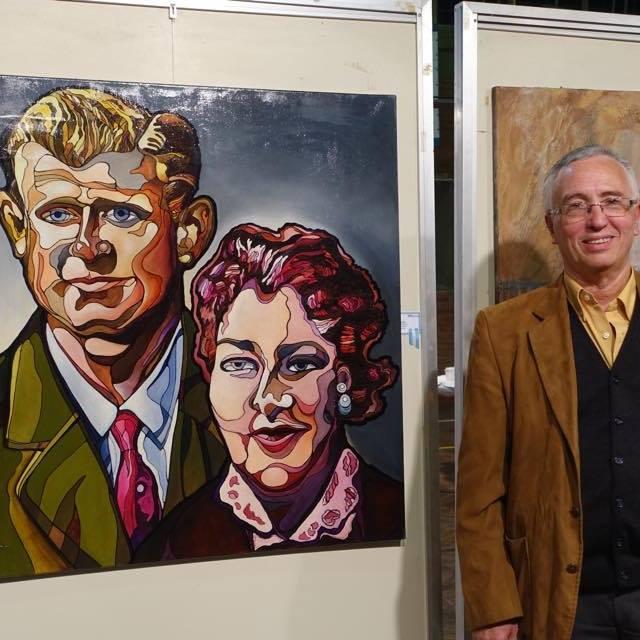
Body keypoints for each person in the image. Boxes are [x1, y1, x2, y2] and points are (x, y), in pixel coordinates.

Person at [0, 87, 227, 578]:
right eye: (58, 214)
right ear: (17, 228)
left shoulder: (259, 407)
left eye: (123, 214)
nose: (87, 247)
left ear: (189, 230)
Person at [134, 223, 404, 561]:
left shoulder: (399, 519)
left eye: (299, 364)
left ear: (343, 380)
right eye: (239, 364)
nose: (268, 398)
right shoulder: (169, 547)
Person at [457, 145, 640, 639]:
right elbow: (479, 491)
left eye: (612, 202)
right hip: (563, 603)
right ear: (552, 226)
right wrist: (492, 606)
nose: (597, 220)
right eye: (576, 206)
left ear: (636, 216)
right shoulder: (504, 332)